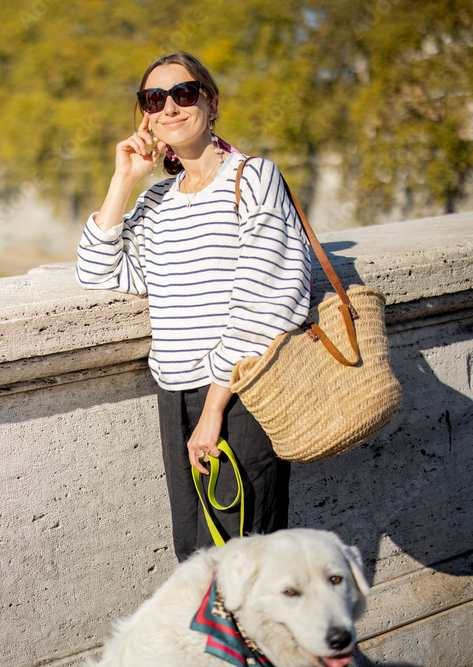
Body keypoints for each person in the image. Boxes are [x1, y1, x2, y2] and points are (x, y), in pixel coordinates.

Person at [76, 52, 312, 562]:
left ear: (211, 101)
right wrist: (124, 180)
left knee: (244, 556)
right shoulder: (158, 201)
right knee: (196, 556)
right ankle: (214, 646)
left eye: (184, 94)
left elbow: (266, 304)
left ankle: (252, 645)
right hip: (176, 393)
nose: (170, 107)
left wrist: (213, 412)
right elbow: (97, 271)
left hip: (241, 394)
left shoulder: (253, 178)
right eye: (154, 99)